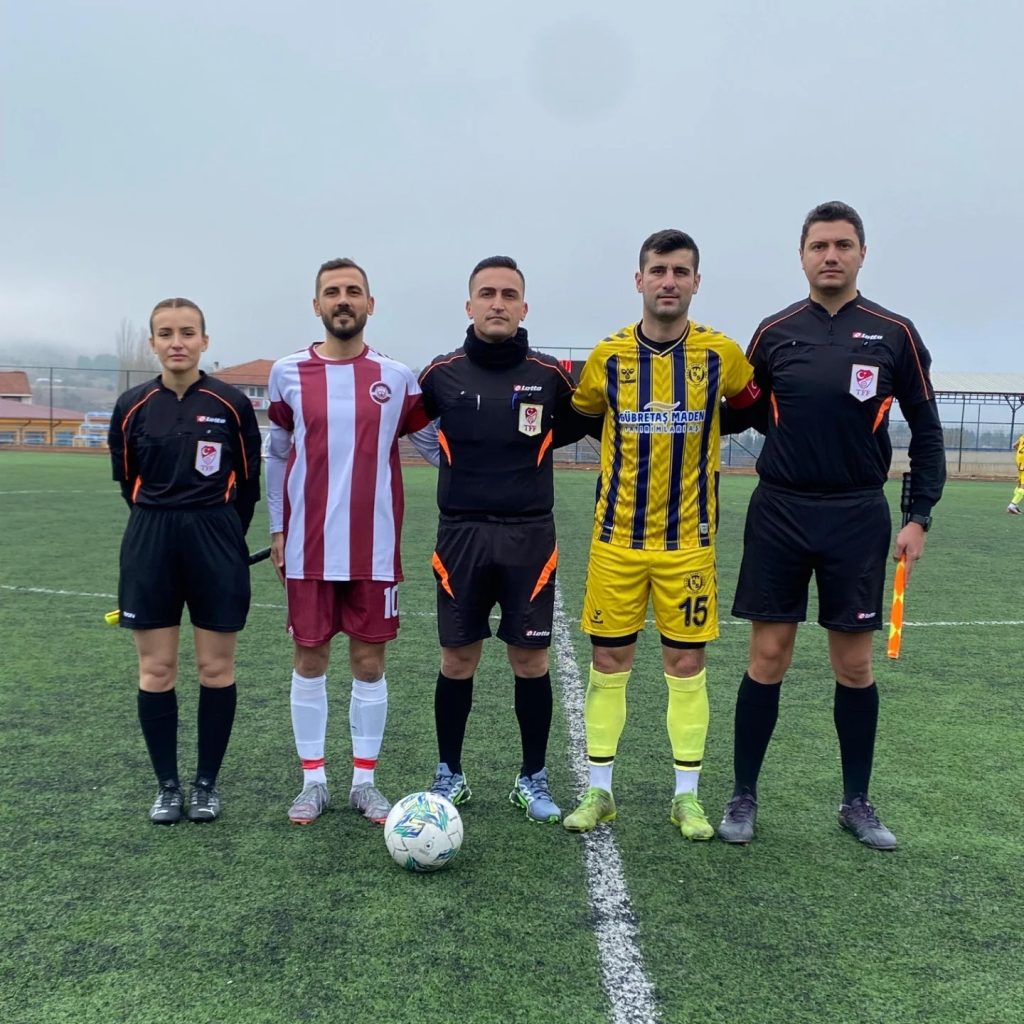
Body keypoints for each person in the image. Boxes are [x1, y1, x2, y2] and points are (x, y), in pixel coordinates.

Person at [719, 201, 946, 850]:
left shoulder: (894, 333)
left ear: (861, 254)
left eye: (843, 245)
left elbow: (927, 431)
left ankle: (856, 802)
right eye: (819, 245)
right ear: (802, 256)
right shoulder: (774, 332)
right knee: (768, 657)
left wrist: (918, 516)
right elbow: (743, 411)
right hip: (780, 511)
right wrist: (683, 402)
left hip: (856, 514)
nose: (831, 255)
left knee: (854, 663)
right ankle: (743, 795)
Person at [562, 230, 761, 840]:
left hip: (689, 544)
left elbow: (750, 407)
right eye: (658, 270)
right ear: (639, 280)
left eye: (680, 271)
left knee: (686, 662)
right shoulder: (607, 357)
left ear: (696, 281)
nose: (668, 281)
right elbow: (585, 418)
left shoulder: (721, 354)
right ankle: (599, 792)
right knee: (608, 660)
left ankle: (687, 799)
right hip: (616, 540)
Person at [418, 255, 591, 823]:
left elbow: (584, 423)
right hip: (460, 535)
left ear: (524, 307)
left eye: (508, 294)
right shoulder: (441, 373)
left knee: (531, 660)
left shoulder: (550, 375)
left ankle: (532, 778)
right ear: (469, 305)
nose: (498, 303)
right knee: (456, 659)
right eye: (487, 293)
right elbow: (404, 423)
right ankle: (450, 773)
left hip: (528, 536)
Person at [266, 258, 437, 827]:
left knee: (368, 663)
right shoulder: (288, 373)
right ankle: (313, 780)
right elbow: (277, 456)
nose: (343, 300)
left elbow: (435, 446)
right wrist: (278, 528)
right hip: (308, 547)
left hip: (374, 547)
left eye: (353, 291)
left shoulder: (398, 377)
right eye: (333, 292)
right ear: (317, 305)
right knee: (309, 658)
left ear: (370, 304)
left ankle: (364, 782)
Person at [108, 297, 262, 824]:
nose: (178, 342)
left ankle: (205, 785)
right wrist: (162, 522)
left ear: (204, 340)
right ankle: (167, 787)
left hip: (215, 536)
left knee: (216, 668)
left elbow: (248, 485)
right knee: (156, 669)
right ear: (153, 342)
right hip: (150, 537)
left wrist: (220, 534)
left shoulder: (231, 404)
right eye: (167, 333)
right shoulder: (131, 405)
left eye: (188, 332)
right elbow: (128, 482)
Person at [1007, 433, 1024, 514]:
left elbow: (1014, 445)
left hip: (1019, 461)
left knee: (1020, 483)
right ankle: (1012, 505)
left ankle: (1015, 505)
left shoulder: (1022, 436)